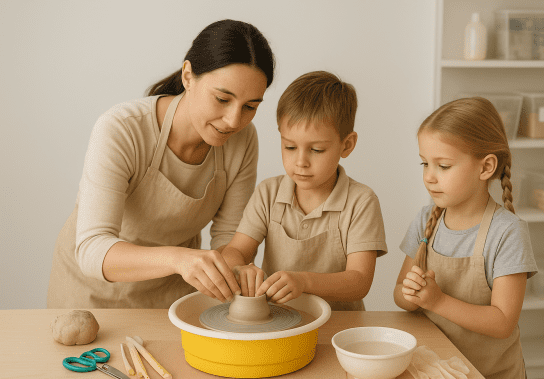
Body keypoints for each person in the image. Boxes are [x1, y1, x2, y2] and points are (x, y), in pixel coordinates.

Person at [47, 19, 275, 309]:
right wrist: (179, 259)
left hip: (170, 297)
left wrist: (235, 267)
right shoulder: (121, 129)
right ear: (188, 76)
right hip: (91, 295)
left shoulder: (242, 140)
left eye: (250, 107)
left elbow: (228, 238)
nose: (233, 120)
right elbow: (92, 248)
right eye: (222, 99)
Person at [393, 97, 538, 379]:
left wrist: (437, 301)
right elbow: (400, 295)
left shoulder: (508, 232)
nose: (429, 176)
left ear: (486, 167)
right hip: (437, 373)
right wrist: (412, 294)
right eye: (425, 163)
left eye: (443, 165)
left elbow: (502, 323)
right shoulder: (426, 219)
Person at [220, 71, 388, 311]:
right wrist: (240, 267)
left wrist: (303, 281)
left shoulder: (361, 201)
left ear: (347, 145)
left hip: (339, 326)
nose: (300, 162)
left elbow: (359, 281)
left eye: (316, 150)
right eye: (289, 146)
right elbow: (235, 250)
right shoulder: (268, 192)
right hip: (277, 323)